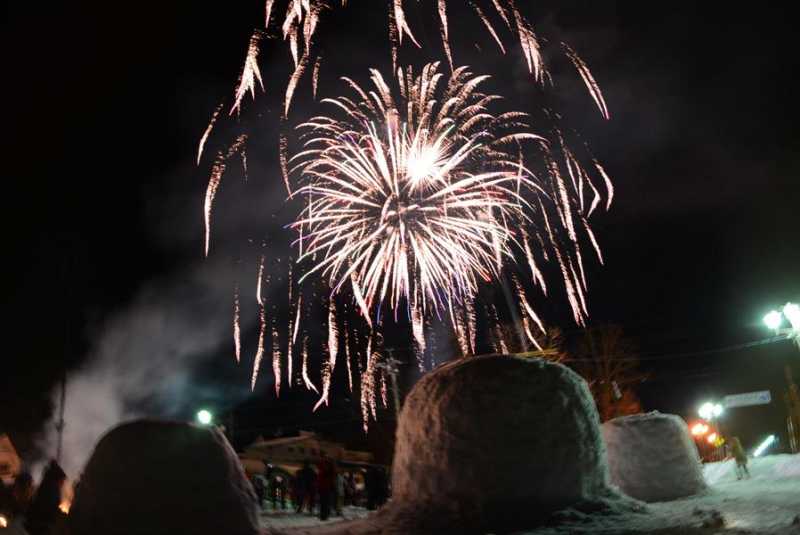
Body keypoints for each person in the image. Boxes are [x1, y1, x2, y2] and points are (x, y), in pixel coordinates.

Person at [25, 460, 67, 535]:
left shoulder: (47, 486)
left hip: (37, 522)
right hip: (40, 525)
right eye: (62, 481)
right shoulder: (51, 490)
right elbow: (48, 508)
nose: (62, 484)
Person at [316, 453, 335, 521]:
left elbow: (325, 472)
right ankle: (324, 515)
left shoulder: (327, 467)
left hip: (325, 487)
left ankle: (324, 516)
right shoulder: (328, 467)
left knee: (324, 502)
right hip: (325, 487)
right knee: (325, 502)